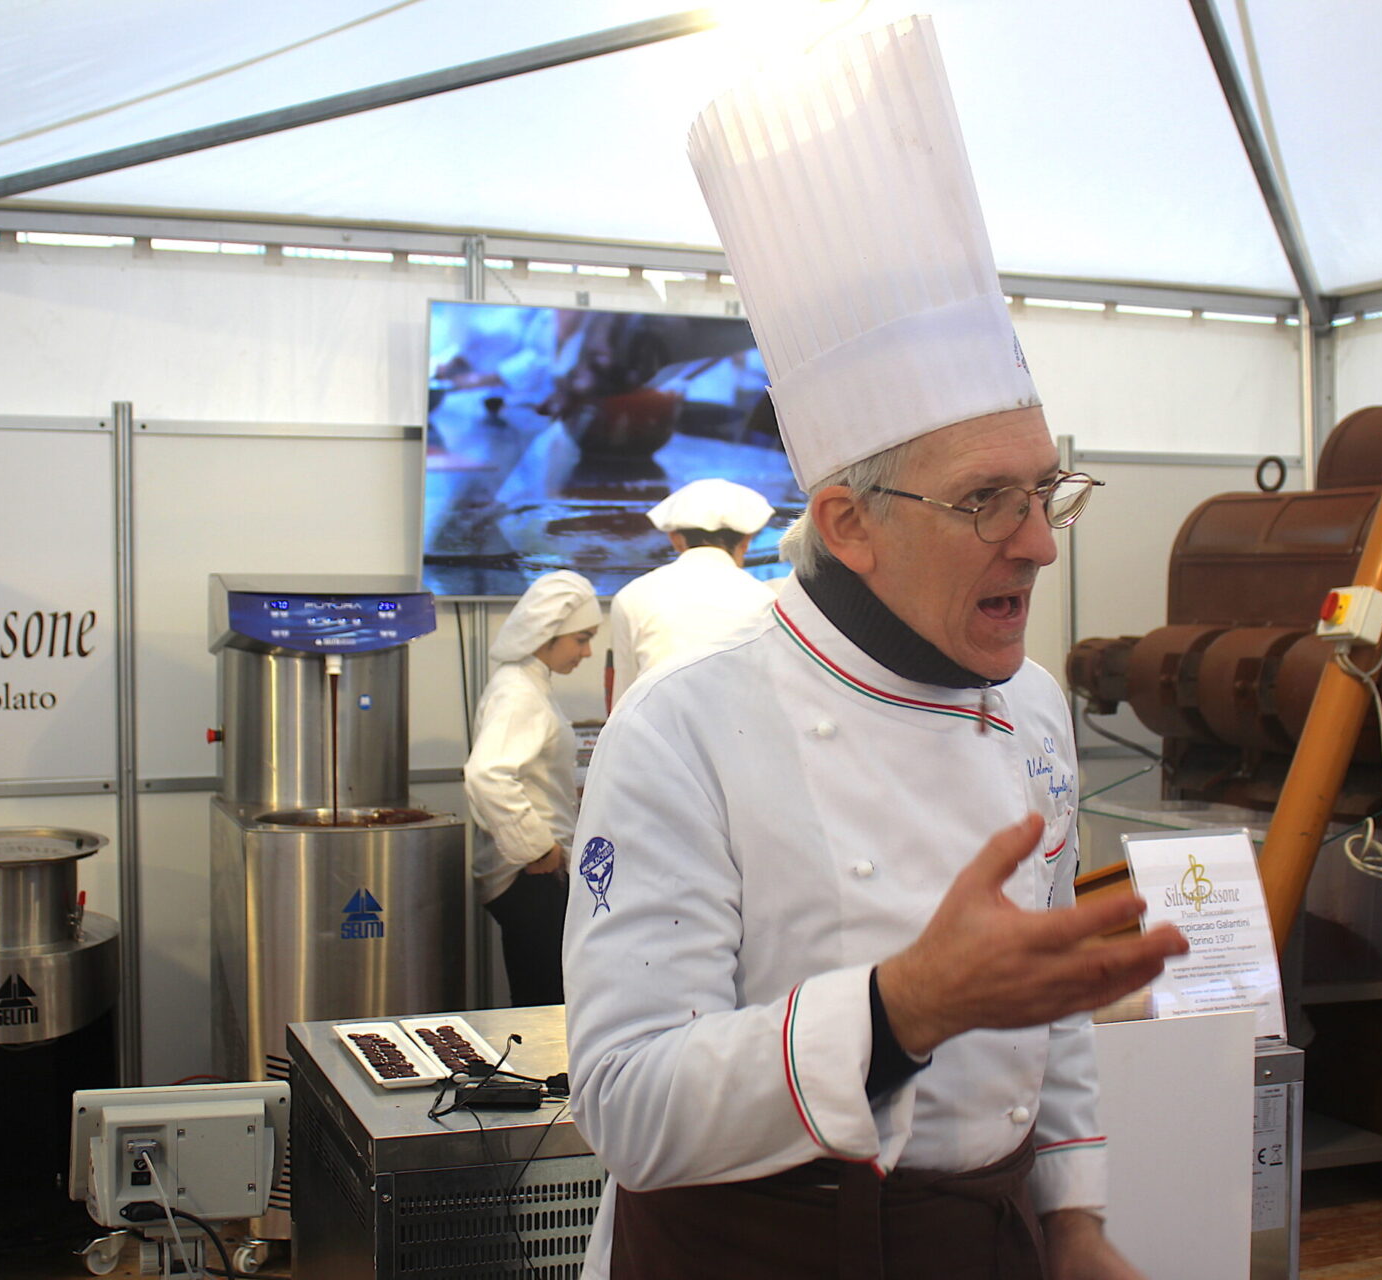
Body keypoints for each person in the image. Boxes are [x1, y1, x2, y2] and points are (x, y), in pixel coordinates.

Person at [562, 17, 1188, 1279]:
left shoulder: (1035, 713)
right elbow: (625, 1100)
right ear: (848, 523)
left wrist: (1073, 1219)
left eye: (1046, 492)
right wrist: (906, 1007)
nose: (1039, 547)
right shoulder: (684, 728)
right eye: (985, 502)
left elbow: (1047, 1014)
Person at [463, 569, 601, 1007]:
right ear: (547, 635)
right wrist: (538, 849)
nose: (587, 651)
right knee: (543, 1001)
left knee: (544, 996)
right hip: (530, 877)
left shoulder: (530, 686)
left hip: (536, 873)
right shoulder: (519, 692)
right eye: (581, 639)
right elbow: (487, 774)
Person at [607, 477, 778, 704]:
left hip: (653, 734)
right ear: (746, 540)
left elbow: (624, 698)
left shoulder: (631, 596)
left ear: (675, 539)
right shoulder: (767, 601)